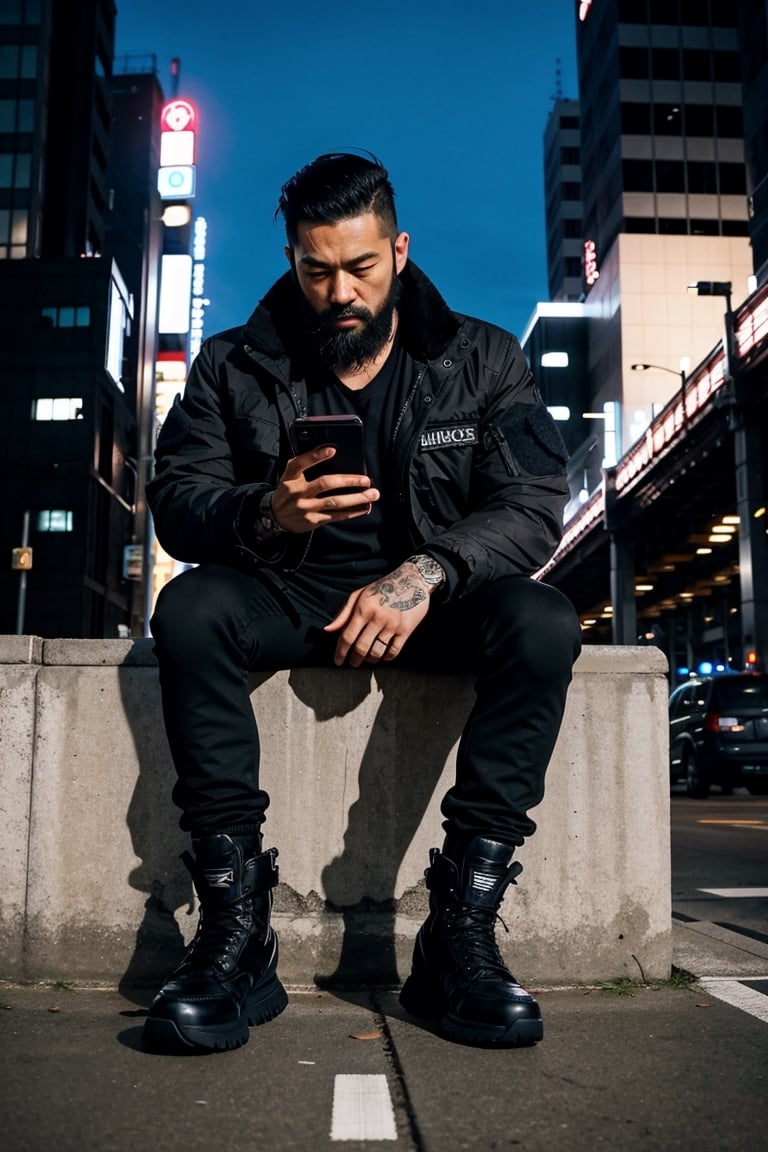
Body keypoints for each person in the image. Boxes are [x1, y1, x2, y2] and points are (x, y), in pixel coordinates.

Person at [143, 152, 582, 1054]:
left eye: (361, 266)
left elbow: (535, 504)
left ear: (400, 250)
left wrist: (424, 574)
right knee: (188, 612)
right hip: (288, 593)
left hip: (430, 603)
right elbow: (179, 502)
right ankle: (236, 930)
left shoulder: (483, 357)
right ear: (294, 260)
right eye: (316, 270)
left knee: (543, 624)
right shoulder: (236, 363)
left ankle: (459, 930)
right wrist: (264, 510)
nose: (338, 290)